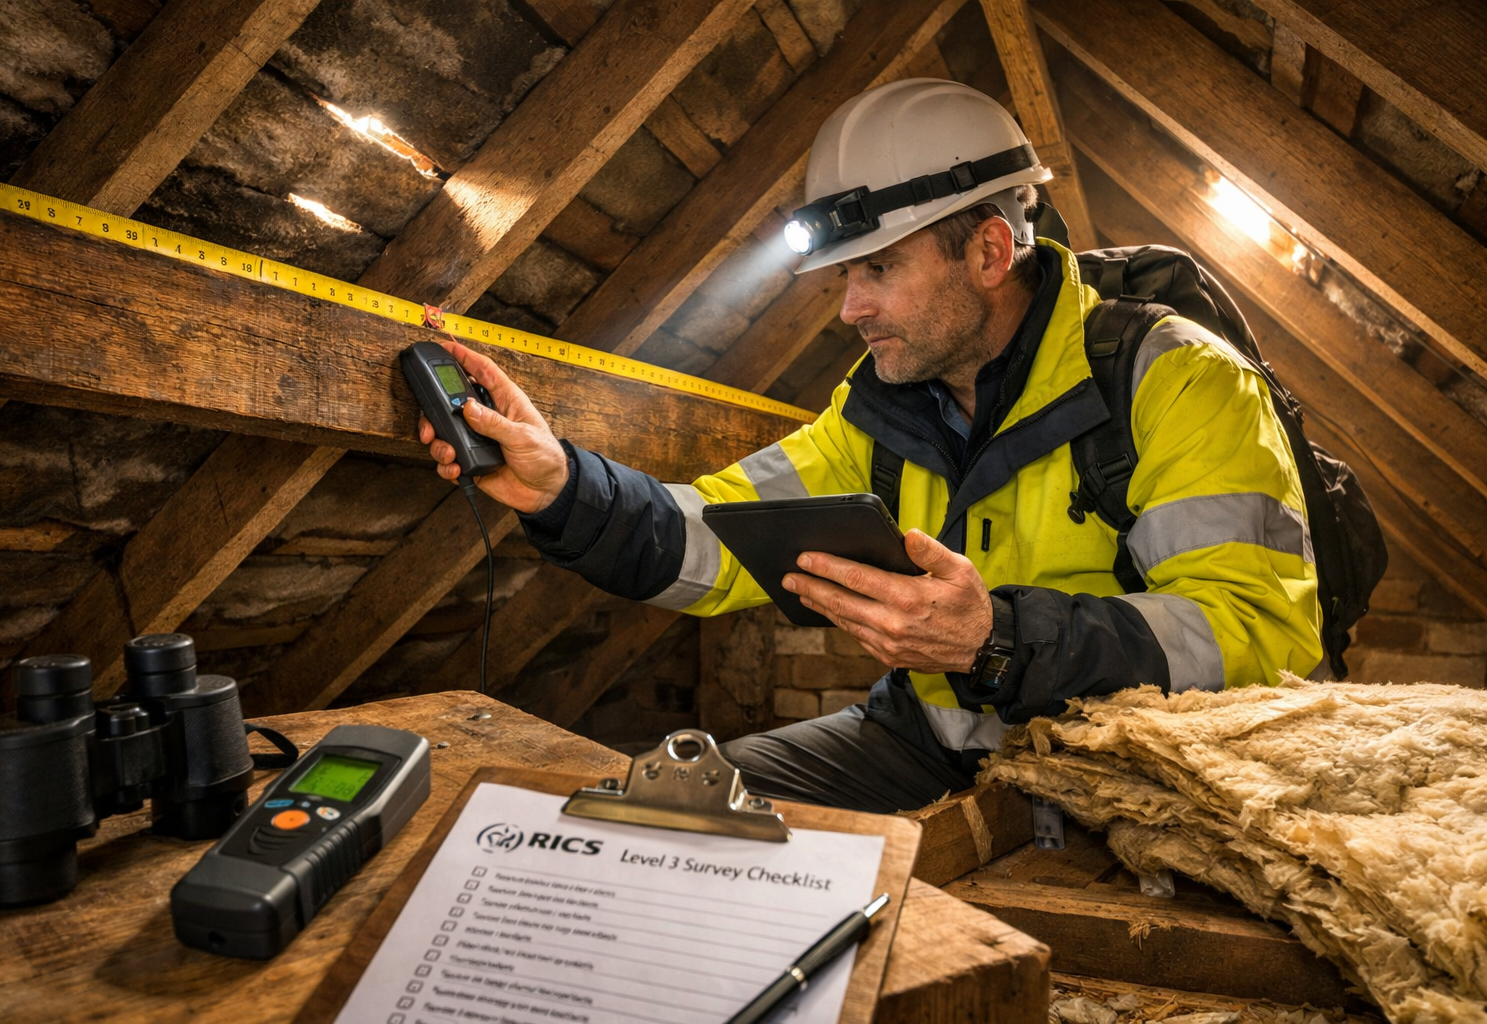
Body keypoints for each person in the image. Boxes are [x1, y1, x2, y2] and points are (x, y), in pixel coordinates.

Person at [418, 79, 1323, 814]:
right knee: (681, 810)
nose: (850, 308)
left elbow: (1258, 640)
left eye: (878, 270)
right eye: (846, 275)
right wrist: (562, 486)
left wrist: (994, 641)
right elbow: (714, 536)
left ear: (990, 251)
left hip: (1126, 774)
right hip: (930, 743)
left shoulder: (1175, 378)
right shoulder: (878, 410)